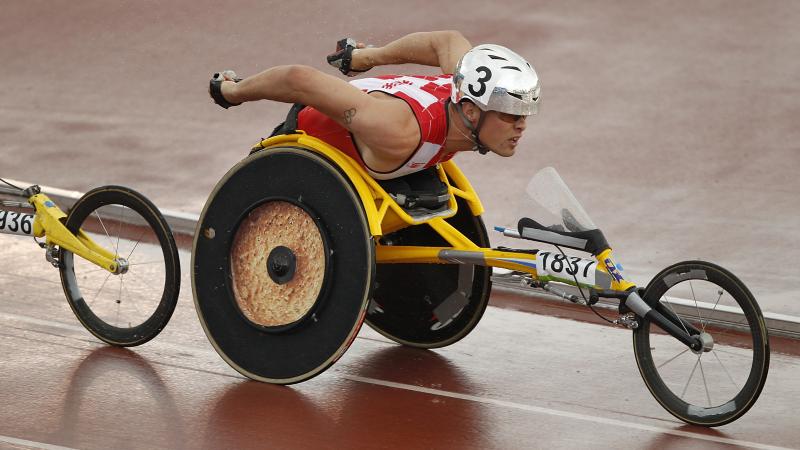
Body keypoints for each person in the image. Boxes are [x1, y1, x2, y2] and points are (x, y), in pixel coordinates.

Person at [209, 30, 540, 181]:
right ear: (470, 112)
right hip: (307, 141)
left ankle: (357, 56)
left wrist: (367, 57)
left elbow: (447, 41)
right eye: (511, 116)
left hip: (379, 120)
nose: (521, 126)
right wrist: (232, 92)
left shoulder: (461, 83)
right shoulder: (397, 132)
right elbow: (300, 80)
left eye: (524, 116)